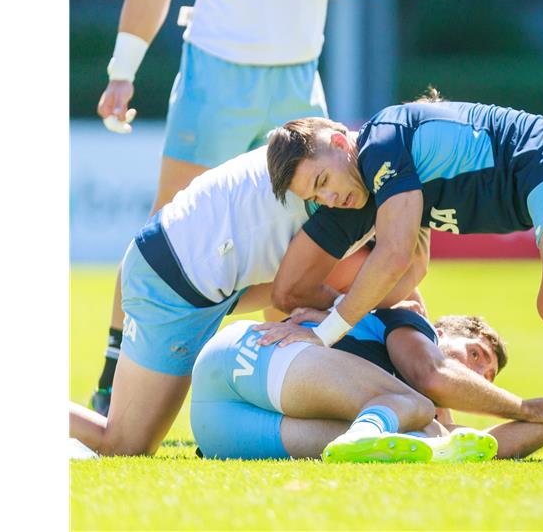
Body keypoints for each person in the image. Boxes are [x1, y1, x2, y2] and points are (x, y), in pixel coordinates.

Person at [86, 0, 384, 416]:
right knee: (164, 234)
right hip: (214, 78)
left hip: (298, 87)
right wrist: (121, 73)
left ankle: (300, 370)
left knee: (328, 239)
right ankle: (112, 380)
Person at [254, 100, 543, 465]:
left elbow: (395, 257)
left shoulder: (379, 143)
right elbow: (410, 272)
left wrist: (326, 329)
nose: (330, 197)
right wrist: (335, 314)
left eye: (322, 180)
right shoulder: (384, 174)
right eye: (315, 195)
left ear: (340, 142)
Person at [67, 141, 410, 457]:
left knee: (327, 295)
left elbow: (389, 269)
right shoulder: (340, 168)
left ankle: (269, 412)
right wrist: (357, 313)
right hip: (171, 282)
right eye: (318, 187)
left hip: (209, 274)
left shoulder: (327, 156)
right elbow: (296, 292)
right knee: (124, 445)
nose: (329, 197)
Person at [191, 308, 543, 462]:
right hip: (243, 355)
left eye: (484, 377)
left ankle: (362, 436)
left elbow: (482, 447)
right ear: (440, 330)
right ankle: (364, 433)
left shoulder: (426, 411)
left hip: (221, 430)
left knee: (429, 441)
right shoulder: (411, 323)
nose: (474, 374)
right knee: (413, 408)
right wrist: (527, 407)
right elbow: (430, 375)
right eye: (474, 354)